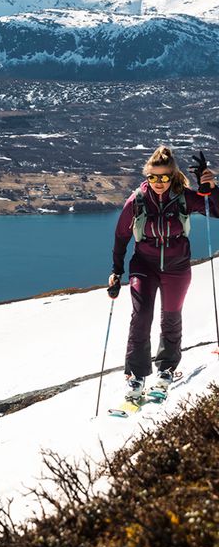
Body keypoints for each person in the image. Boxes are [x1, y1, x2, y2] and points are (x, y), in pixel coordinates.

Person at [110, 145, 218, 402]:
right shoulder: (136, 201)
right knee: (141, 316)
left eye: (164, 177)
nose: (158, 182)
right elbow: (121, 236)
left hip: (177, 267)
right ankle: (136, 375)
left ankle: (167, 369)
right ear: (147, 176)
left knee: (170, 317)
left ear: (173, 176)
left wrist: (211, 189)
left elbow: (216, 210)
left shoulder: (184, 197)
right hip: (143, 266)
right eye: (153, 177)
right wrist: (116, 270)